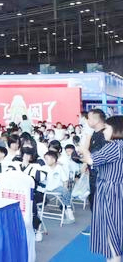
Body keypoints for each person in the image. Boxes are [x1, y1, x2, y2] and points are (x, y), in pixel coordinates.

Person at [79, 115, 123, 262]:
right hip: (117, 189)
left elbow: (91, 159)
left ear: (116, 130)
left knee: (111, 231)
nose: (104, 131)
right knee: (116, 228)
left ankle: (113, 259)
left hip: (110, 191)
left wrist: (85, 145)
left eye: (107, 128)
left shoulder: (114, 146)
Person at [85, 108, 108, 212]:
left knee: (100, 206)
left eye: (89, 118)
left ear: (96, 120)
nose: (87, 121)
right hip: (93, 175)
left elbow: (94, 156)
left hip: (102, 177)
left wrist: (84, 151)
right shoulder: (94, 134)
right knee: (94, 203)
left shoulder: (104, 136)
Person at [43, 151, 75, 223]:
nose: (46, 161)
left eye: (47, 159)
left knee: (66, 191)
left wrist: (65, 188)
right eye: (45, 159)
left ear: (54, 160)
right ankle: (67, 209)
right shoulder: (44, 168)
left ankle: (68, 210)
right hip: (46, 188)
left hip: (57, 188)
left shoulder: (59, 168)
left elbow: (65, 180)